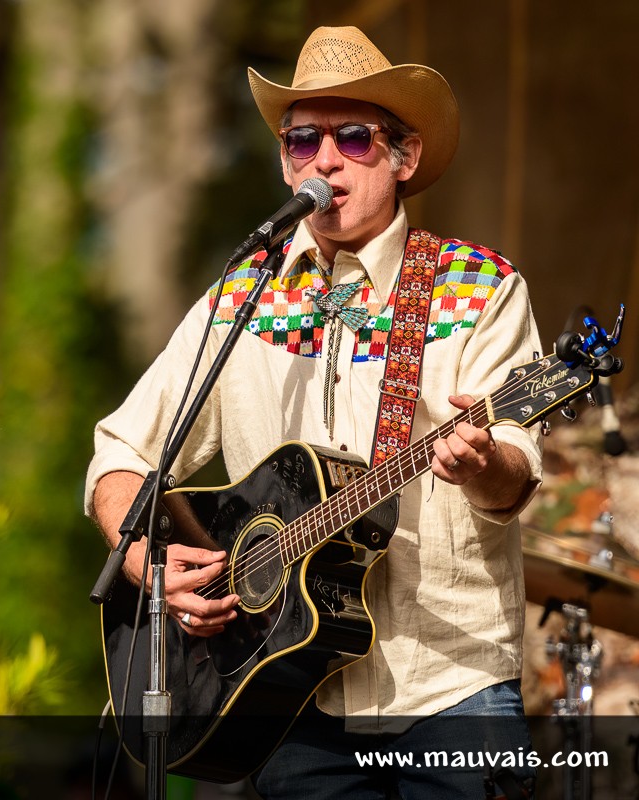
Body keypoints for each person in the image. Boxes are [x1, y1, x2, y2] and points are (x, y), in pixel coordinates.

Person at [86, 26, 544, 798]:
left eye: (354, 138)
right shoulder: (244, 295)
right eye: (303, 141)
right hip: (284, 694)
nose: (324, 160)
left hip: (450, 684)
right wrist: (148, 561)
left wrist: (484, 463)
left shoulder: (477, 288)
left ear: (403, 157)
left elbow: (513, 481)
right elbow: (121, 453)